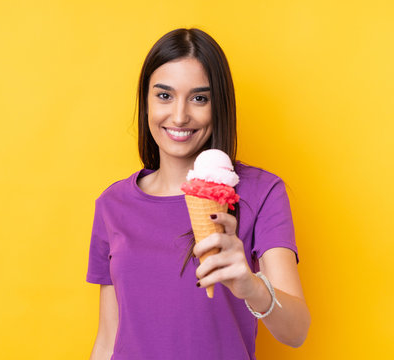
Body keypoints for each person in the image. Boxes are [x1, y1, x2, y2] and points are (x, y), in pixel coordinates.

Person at [87, 28, 310, 360]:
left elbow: (296, 331)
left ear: (218, 104)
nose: (179, 116)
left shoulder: (262, 193)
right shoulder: (112, 204)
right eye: (164, 96)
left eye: (199, 98)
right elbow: (108, 340)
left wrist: (251, 286)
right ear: (145, 101)